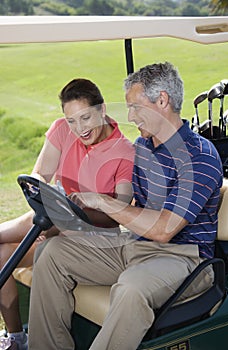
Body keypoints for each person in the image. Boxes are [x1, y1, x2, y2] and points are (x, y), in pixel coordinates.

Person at [28, 62, 223, 350]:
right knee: (52, 252)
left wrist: (103, 202)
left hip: (185, 259)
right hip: (135, 246)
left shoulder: (199, 157)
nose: (130, 116)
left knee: (132, 287)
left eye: (135, 107)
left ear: (162, 101)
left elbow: (163, 230)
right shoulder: (145, 148)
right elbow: (125, 203)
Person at [0, 78, 135, 350]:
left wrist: (68, 219)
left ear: (102, 109)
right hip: (51, 217)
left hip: (92, 236)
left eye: (85, 118)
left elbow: (116, 215)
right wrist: (51, 200)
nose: (79, 129)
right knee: (1, 253)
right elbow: (40, 175)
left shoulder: (125, 153)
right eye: (72, 120)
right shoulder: (62, 130)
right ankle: (16, 338)